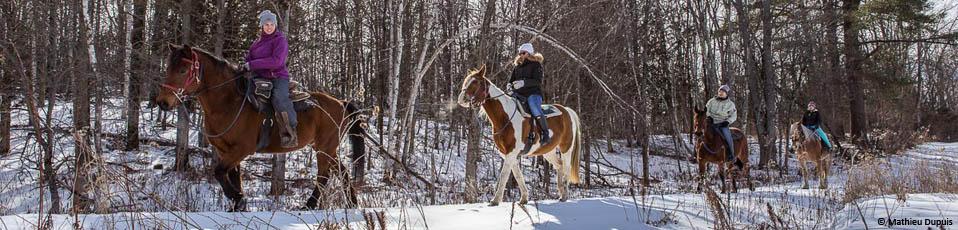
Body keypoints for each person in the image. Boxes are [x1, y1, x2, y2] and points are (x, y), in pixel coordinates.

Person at [239, 10, 297, 148]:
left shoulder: (280, 40)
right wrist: (244, 65)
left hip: (277, 77)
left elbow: (276, 61)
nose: (269, 27)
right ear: (262, 26)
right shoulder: (256, 43)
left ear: (275, 25)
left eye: (271, 24)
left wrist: (252, 64)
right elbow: (249, 59)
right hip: (258, 77)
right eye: (266, 24)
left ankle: (290, 132)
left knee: (279, 98)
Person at [508, 43, 550, 145]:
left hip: (533, 93)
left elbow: (537, 81)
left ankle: (545, 132)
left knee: (534, 108)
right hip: (518, 94)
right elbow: (511, 79)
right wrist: (509, 86)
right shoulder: (517, 66)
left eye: (523, 53)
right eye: (520, 53)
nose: (521, 55)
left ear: (529, 53)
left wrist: (524, 83)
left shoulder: (536, 65)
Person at [706, 85, 743, 169]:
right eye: (720, 91)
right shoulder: (711, 101)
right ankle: (696, 153)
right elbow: (706, 110)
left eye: (723, 92)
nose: (721, 93)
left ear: (726, 93)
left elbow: (734, 115)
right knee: (701, 134)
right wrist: (709, 117)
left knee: (728, 137)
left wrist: (727, 122)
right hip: (710, 122)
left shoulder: (730, 104)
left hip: (722, 124)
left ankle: (731, 155)